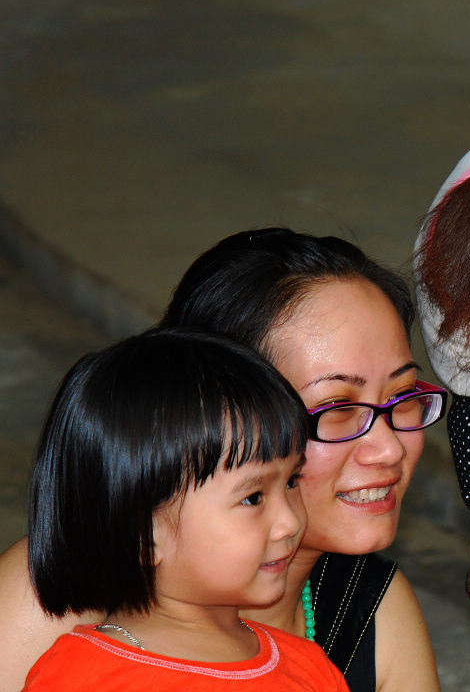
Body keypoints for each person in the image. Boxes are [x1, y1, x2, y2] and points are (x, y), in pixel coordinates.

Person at [0, 229, 444, 692]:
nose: (390, 447)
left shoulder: (369, 606)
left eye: (402, 396)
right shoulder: (60, 590)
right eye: (337, 409)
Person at [23, 328, 348, 690]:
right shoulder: (81, 679)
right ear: (143, 537)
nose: (289, 521)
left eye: (291, 481)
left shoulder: (306, 665)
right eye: (252, 497)